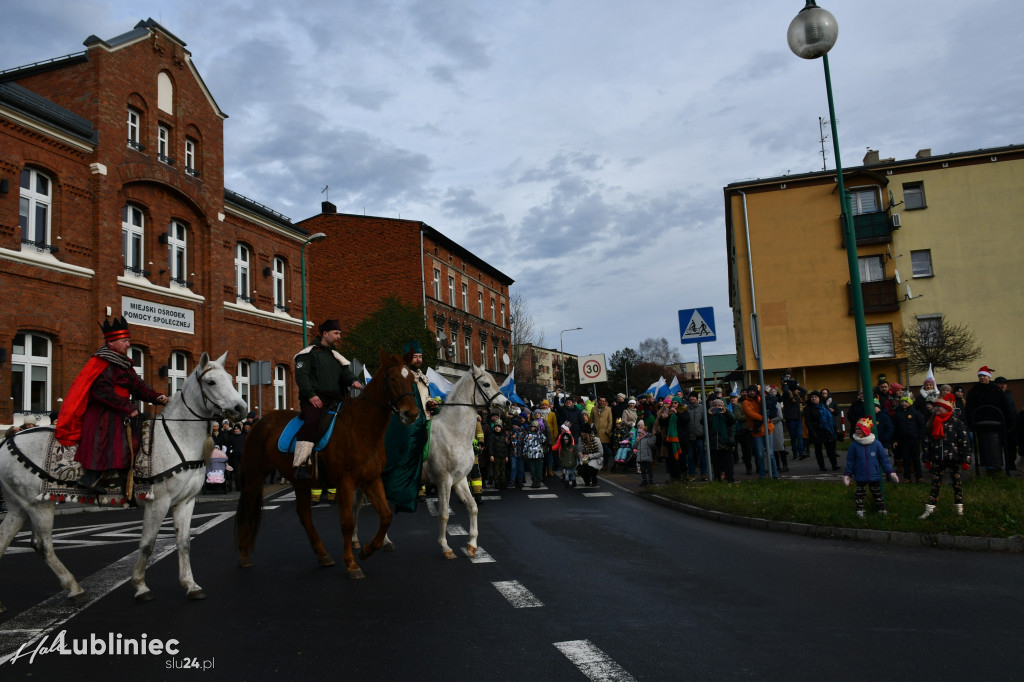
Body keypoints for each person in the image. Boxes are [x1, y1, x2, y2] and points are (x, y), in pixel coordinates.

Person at [56, 316, 168, 494]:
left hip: (120, 410)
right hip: (103, 411)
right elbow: (102, 391)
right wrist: (128, 407)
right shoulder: (102, 362)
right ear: (111, 343)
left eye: (128, 340)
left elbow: (138, 386)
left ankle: (126, 478)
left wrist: (157, 397)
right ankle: (90, 477)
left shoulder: (124, 364)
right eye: (124, 341)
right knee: (108, 439)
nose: (128, 344)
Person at [292, 319, 363, 479]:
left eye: (340, 333)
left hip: (337, 399)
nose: (339, 337)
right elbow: (302, 377)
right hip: (315, 399)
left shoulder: (335, 356)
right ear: (325, 334)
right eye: (336, 333)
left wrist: (354, 381)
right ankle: (301, 463)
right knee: (311, 422)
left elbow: (346, 373)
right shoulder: (307, 354)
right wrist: (311, 395)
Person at [919, 393, 972, 518]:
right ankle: (930, 508)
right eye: (935, 406)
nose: (936, 408)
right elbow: (926, 441)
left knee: (957, 483)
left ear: (947, 408)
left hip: (954, 458)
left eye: (939, 407)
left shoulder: (956, 422)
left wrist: (966, 459)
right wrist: (926, 458)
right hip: (938, 458)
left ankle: (959, 508)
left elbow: (964, 442)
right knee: (935, 483)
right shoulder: (932, 422)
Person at [843, 417, 899, 518]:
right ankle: (860, 510)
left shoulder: (876, 444)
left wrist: (890, 472)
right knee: (859, 494)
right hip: (860, 474)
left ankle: (881, 509)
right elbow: (850, 461)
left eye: (860, 429)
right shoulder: (854, 445)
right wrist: (848, 474)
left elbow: (884, 459)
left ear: (866, 430)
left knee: (877, 493)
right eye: (856, 429)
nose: (857, 431)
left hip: (874, 474)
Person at [965, 365, 1012, 474]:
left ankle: (997, 465)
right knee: (983, 444)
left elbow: (1005, 406)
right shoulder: (974, 390)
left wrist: (1008, 422)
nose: (982, 378)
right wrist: (970, 423)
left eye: (984, 376)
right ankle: (987, 466)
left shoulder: (996, 389)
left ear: (989, 377)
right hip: (980, 423)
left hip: (997, 422)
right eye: (980, 376)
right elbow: (969, 408)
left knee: (997, 444)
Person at [742, 385, 777, 478]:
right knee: (760, 454)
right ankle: (762, 474)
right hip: (756, 431)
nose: (752, 392)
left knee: (770, 454)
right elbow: (750, 414)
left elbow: (770, 407)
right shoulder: (745, 403)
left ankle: (775, 473)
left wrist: (768, 418)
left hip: (768, 429)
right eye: (750, 391)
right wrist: (765, 418)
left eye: (753, 391)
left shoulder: (761, 399)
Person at [892, 395, 927, 483]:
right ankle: (907, 477)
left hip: (914, 439)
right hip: (903, 440)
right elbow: (895, 428)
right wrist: (895, 439)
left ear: (910, 403)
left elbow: (922, 426)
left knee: (916, 458)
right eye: (902, 402)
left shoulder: (916, 414)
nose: (904, 403)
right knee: (905, 458)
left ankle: (919, 476)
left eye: (906, 402)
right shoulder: (897, 414)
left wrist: (920, 437)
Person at [805, 391, 839, 472]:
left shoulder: (824, 406)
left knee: (830, 449)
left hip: (826, 430)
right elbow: (807, 421)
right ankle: (822, 466)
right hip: (816, 430)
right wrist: (812, 431)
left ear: (819, 398)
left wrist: (834, 428)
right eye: (812, 397)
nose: (814, 398)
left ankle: (834, 465)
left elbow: (830, 417)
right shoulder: (808, 408)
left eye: (816, 397)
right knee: (818, 450)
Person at [707, 398, 736, 483]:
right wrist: (709, 414)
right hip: (714, 443)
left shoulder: (727, 414)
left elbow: (732, 421)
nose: (718, 407)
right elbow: (704, 423)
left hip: (725, 443)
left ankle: (730, 480)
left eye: (720, 405)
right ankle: (718, 480)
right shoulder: (711, 415)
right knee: (716, 464)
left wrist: (726, 413)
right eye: (715, 405)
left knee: (728, 464)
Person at [780, 374, 806, 461]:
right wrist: (786, 383)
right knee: (793, 437)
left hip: (797, 418)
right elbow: (785, 389)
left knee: (799, 436)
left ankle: (801, 453)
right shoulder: (786, 395)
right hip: (790, 419)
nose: (797, 391)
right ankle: (795, 453)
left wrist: (796, 384)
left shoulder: (797, 395)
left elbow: (804, 391)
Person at [685, 392, 707, 481]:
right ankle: (691, 474)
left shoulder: (702, 408)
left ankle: (704, 473)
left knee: (702, 456)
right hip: (689, 437)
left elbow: (705, 422)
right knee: (690, 457)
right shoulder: (686, 409)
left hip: (700, 436)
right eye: (691, 397)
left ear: (697, 398)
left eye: (694, 397)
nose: (692, 398)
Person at [590, 396, 613, 469]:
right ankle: (596, 464)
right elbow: (591, 420)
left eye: (603, 401)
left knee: (606, 451)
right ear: (598, 401)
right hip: (596, 433)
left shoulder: (609, 409)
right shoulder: (594, 409)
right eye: (600, 401)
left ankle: (605, 465)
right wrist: (590, 429)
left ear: (605, 402)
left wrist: (609, 429)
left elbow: (610, 420)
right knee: (596, 450)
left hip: (605, 433)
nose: (602, 402)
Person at [578, 420, 602, 487]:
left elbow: (600, 452)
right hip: (584, 458)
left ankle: (594, 479)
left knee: (592, 467)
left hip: (594, 457)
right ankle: (587, 480)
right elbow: (579, 450)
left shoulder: (596, 440)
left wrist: (590, 456)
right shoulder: (580, 439)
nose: (581, 434)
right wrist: (580, 454)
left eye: (583, 432)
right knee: (581, 470)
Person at [552, 424, 577, 488]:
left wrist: (551, 449)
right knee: (568, 470)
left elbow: (558, 445)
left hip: (566, 454)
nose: (561, 429)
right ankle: (569, 481)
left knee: (567, 470)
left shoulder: (563, 436)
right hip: (566, 454)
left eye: (562, 428)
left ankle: (567, 481)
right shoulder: (569, 436)